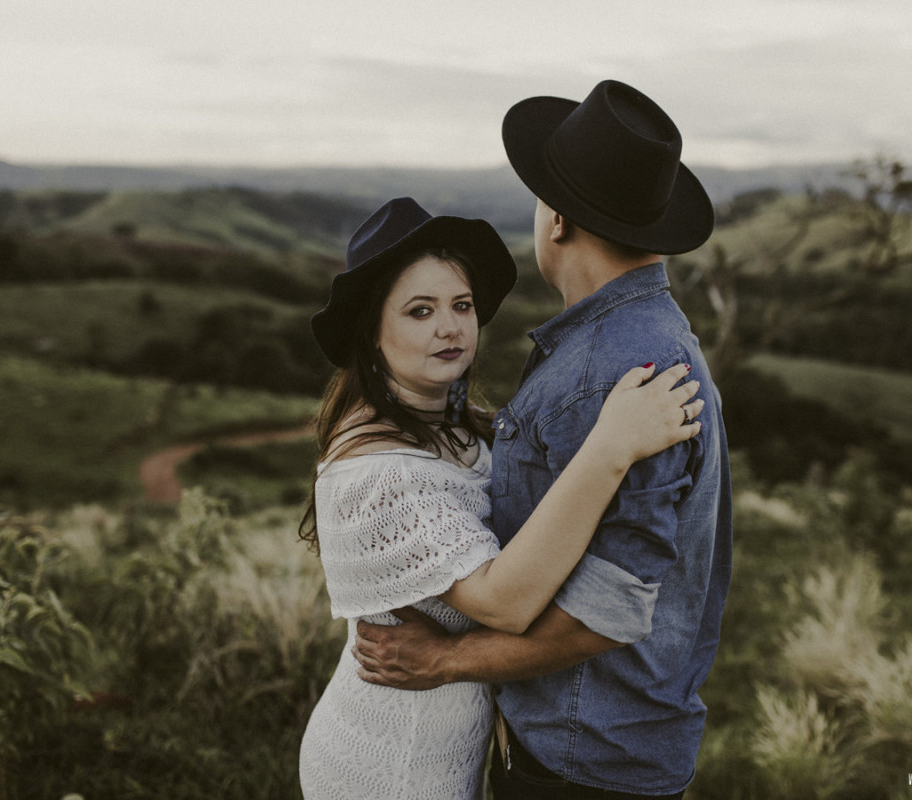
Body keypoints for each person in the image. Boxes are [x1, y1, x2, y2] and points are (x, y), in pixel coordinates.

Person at [353, 80, 734, 799]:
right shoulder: (651, 343)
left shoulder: (617, 371)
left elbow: (607, 612)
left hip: (584, 758)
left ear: (556, 220)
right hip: (607, 743)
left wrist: (444, 662)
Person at [298, 195, 704, 800]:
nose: (450, 327)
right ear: (372, 333)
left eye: (461, 305)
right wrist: (611, 446)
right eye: (418, 311)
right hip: (392, 764)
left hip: (451, 753)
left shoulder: (457, 424)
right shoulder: (380, 473)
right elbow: (504, 602)